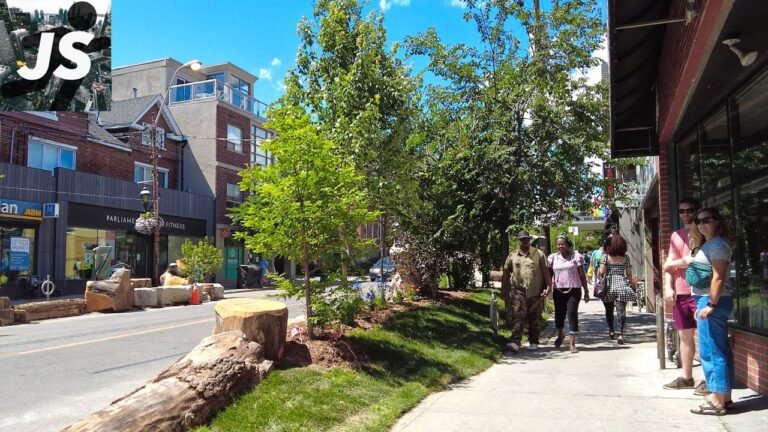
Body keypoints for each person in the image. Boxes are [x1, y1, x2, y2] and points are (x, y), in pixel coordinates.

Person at [668, 208, 735, 416]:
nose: (702, 224)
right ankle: (724, 396)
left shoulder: (718, 245)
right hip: (707, 300)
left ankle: (716, 400)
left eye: (707, 220)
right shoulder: (708, 245)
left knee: (711, 351)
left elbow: (718, 277)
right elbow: (690, 262)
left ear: (717, 221)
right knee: (717, 349)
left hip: (711, 301)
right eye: (698, 221)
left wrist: (711, 305)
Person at [661, 197, 708, 394]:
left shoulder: (705, 234)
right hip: (681, 293)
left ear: (697, 211)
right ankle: (687, 377)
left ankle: (708, 379)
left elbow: (695, 260)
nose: (686, 214)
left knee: (706, 338)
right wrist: (668, 287)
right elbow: (668, 266)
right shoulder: (676, 235)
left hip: (701, 292)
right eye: (682, 211)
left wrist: (674, 263)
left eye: (690, 210)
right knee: (685, 336)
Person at [503, 231, 552, 353]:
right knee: (518, 316)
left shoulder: (538, 254)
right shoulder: (513, 255)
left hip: (535, 291)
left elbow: (546, 271)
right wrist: (504, 289)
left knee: (534, 316)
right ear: (518, 241)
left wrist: (549, 286)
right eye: (522, 239)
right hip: (518, 291)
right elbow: (506, 272)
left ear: (529, 240)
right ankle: (515, 341)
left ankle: (534, 341)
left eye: (526, 239)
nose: (525, 241)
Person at [548, 235, 589, 353]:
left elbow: (581, 274)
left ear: (568, 244)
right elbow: (549, 273)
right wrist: (547, 287)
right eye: (558, 244)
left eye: (563, 244)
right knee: (559, 315)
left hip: (574, 289)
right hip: (558, 290)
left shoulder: (576, 257)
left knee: (572, 314)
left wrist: (586, 290)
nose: (561, 246)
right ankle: (560, 334)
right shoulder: (553, 258)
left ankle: (572, 343)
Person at [597, 234, 637, 344]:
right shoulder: (626, 258)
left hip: (609, 285)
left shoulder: (605, 257)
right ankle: (620, 333)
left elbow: (602, 272)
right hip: (622, 284)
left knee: (609, 310)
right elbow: (629, 274)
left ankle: (611, 330)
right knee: (621, 311)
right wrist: (633, 285)